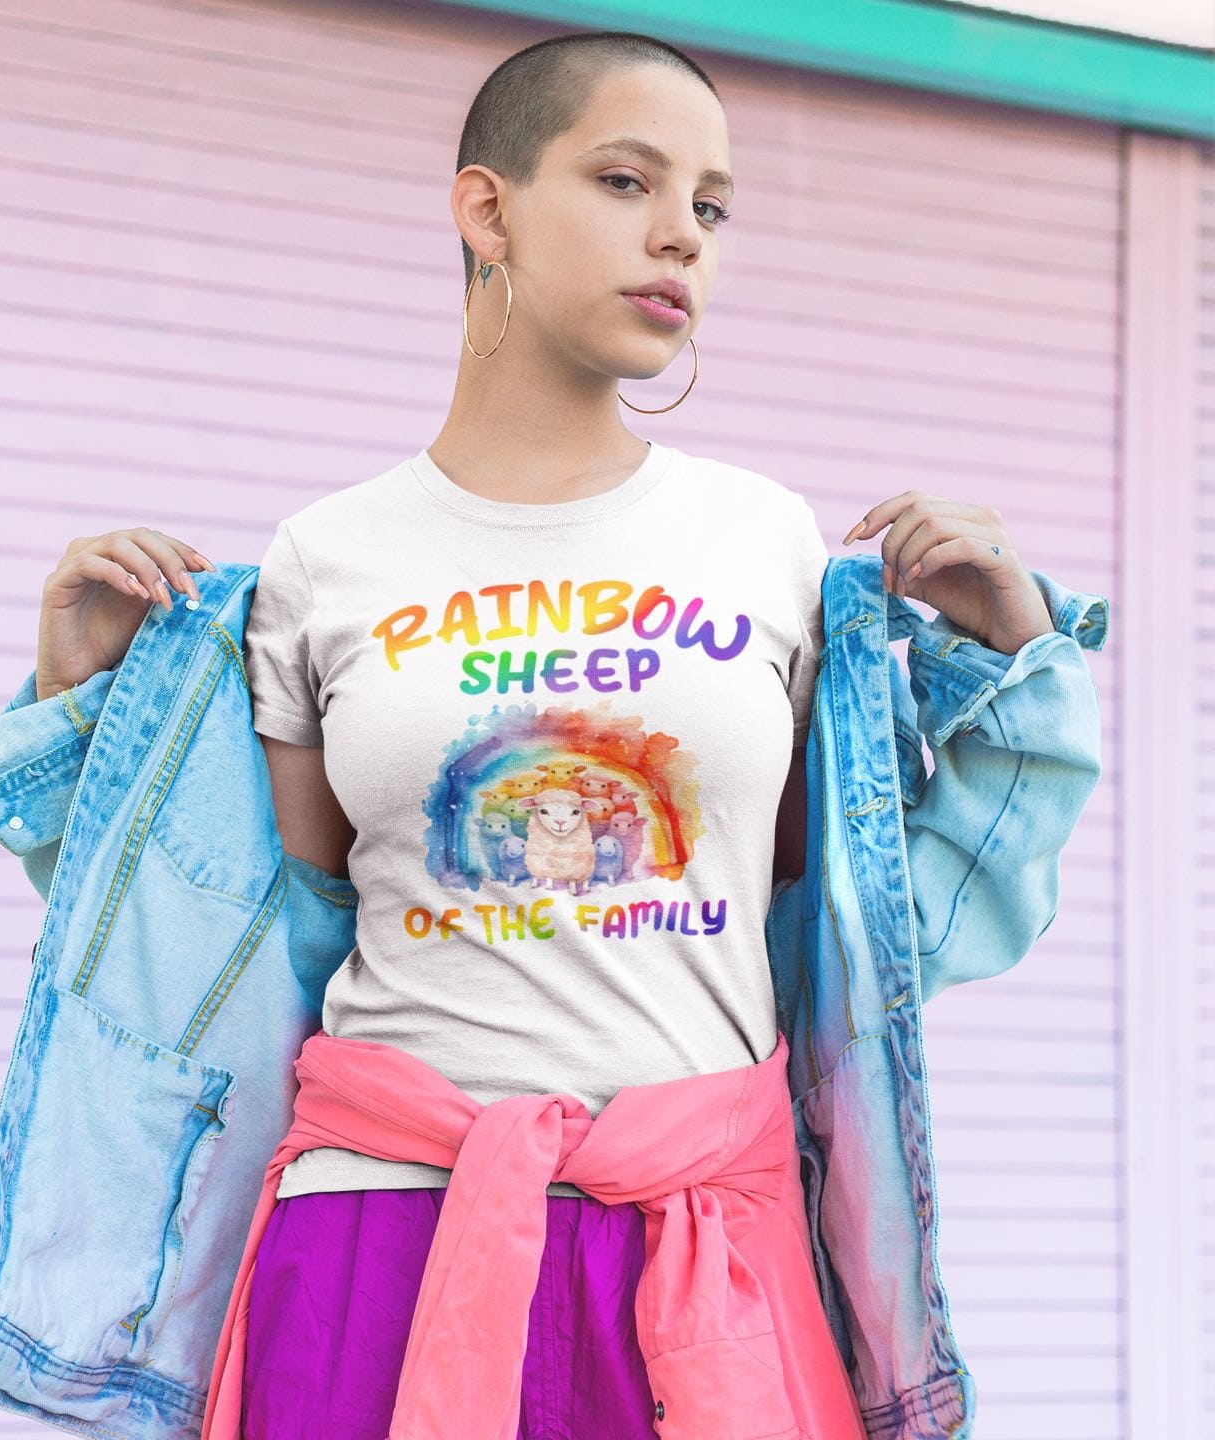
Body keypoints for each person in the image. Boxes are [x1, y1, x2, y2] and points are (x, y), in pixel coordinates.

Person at [235, 30, 847, 1440]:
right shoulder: (323, 558)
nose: (680, 238)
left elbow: (823, 905)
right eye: (628, 180)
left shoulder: (768, 542)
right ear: (486, 208)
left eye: (711, 207)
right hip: (382, 1235)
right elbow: (270, 931)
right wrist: (75, 688)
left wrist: (1009, 667)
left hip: (692, 1244)